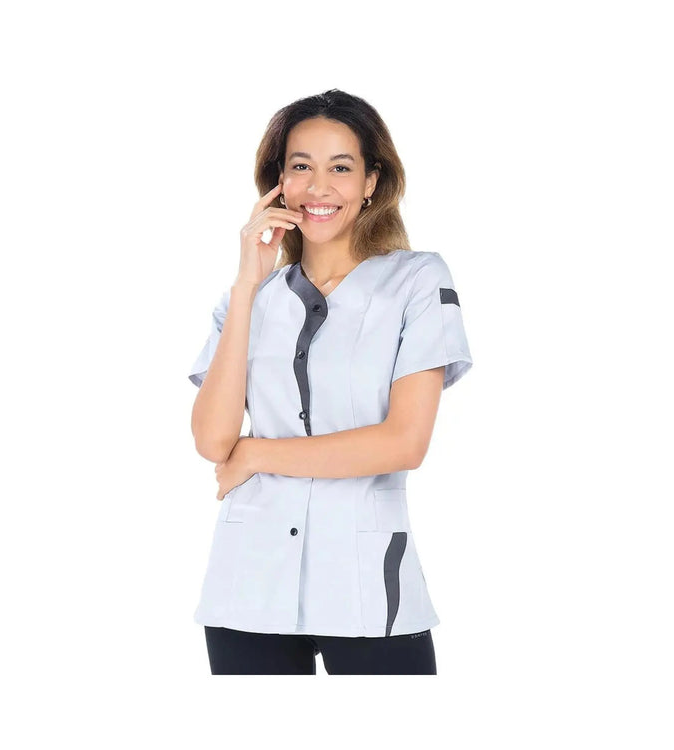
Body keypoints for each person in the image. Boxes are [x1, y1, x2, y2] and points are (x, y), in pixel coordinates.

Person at [187, 89, 474, 675]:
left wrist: (257, 454)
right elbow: (214, 442)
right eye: (301, 167)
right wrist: (247, 284)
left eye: (340, 168)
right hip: (249, 585)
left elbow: (403, 443)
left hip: (366, 585)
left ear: (371, 181)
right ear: (279, 182)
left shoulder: (417, 281)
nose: (318, 188)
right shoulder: (249, 298)